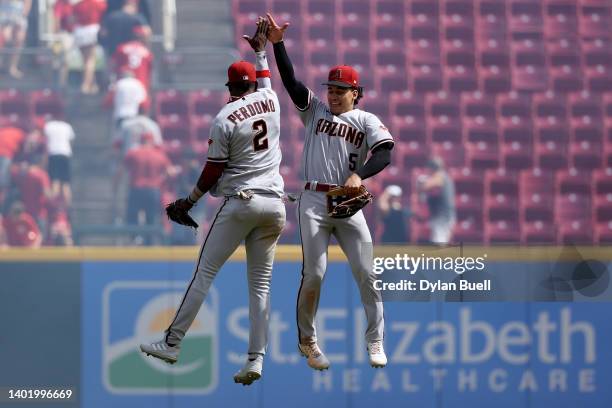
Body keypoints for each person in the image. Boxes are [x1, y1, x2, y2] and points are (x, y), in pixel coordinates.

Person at [140, 19, 286, 386]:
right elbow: (267, 78)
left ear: (230, 87)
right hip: (276, 206)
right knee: (261, 287)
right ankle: (256, 358)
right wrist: (260, 50)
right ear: (252, 83)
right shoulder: (270, 98)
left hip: (243, 201)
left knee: (204, 274)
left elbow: (211, 171)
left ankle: (172, 343)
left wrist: (188, 201)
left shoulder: (225, 118)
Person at [265, 13, 394, 370]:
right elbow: (291, 82)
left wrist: (360, 175)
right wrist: (278, 43)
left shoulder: (366, 120)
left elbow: (384, 152)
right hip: (313, 201)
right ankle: (308, 341)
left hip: (348, 204)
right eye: (330, 89)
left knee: (367, 273)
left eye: (340, 90)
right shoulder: (316, 112)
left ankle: (376, 340)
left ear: (356, 93)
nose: (333, 95)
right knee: (315, 273)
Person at [117, 133, 173, 244]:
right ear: (152, 142)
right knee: (151, 219)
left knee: (132, 217)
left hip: (136, 189)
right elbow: (170, 173)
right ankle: (149, 245)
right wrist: (162, 184)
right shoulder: (159, 154)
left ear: (141, 141)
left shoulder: (134, 153)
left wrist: (115, 187)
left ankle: (134, 239)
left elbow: (121, 171)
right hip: (153, 190)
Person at [417, 157, 456, 245]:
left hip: (443, 218)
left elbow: (425, 186)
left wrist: (420, 181)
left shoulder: (441, 177)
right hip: (439, 217)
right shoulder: (443, 177)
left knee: (439, 245)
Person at [72, 0, 107, 94]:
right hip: (92, 30)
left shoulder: (78, 4)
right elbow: (103, 16)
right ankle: (86, 85)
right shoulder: (99, 3)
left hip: (80, 31)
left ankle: (93, 85)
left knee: (85, 61)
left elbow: (73, 18)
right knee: (90, 60)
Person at [44, 117, 76, 204]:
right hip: (66, 154)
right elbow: (71, 141)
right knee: (66, 183)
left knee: (55, 180)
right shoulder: (67, 126)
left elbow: (45, 142)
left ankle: (52, 205)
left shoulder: (48, 125)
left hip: (54, 153)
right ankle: (68, 208)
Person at [0, 0, 31, 78]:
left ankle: (12, 67)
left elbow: (27, 4)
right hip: (3, 16)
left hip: (18, 16)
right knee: (3, 35)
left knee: (20, 37)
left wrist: (20, 17)